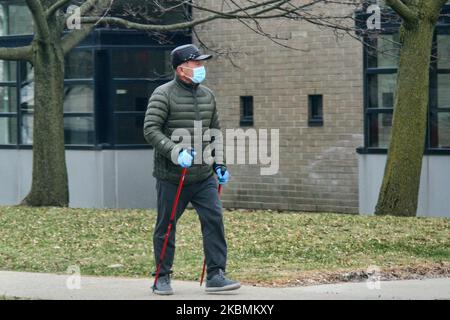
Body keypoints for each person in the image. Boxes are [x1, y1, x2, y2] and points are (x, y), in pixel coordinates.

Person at [143, 44, 241, 295]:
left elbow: (215, 133)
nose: (201, 68)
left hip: (203, 175)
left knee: (214, 220)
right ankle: (161, 277)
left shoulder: (208, 95)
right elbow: (151, 130)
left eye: (201, 63)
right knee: (166, 226)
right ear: (181, 69)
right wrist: (176, 152)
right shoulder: (162, 94)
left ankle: (216, 275)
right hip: (172, 176)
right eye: (196, 64)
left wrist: (219, 163)